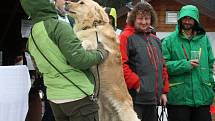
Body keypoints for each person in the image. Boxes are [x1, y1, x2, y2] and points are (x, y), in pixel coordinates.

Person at [20, 0, 108, 121]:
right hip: (77, 96)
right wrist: (101, 53)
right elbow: (80, 60)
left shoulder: (32, 36)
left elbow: (38, 68)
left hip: (55, 99)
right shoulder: (58, 26)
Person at [162, 5, 215, 121]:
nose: (187, 21)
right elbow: (162, 67)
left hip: (202, 97)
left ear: (196, 20)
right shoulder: (169, 40)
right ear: (180, 20)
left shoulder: (203, 39)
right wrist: (185, 65)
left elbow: (210, 64)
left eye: (190, 18)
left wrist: (211, 87)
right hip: (179, 99)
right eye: (184, 18)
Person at [119, 2, 169, 121]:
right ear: (133, 19)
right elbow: (121, 64)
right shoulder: (125, 36)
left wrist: (163, 91)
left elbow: (162, 67)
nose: (144, 22)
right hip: (135, 98)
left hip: (153, 99)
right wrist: (136, 83)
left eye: (147, 18)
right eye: (140, 18)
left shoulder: (155, 40)